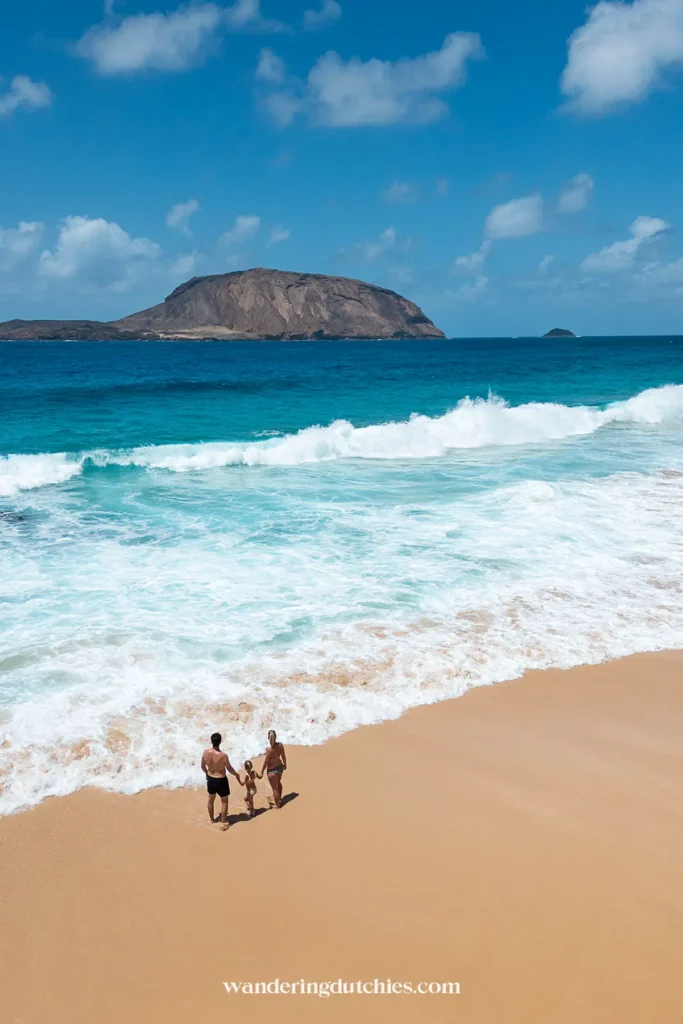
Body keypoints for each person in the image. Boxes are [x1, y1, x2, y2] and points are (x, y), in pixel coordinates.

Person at [201, 732, 239, 829]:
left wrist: (207, 773)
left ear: (211, 741)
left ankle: (212, 820)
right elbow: (229, 769)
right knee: (224, 802)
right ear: (220, 741)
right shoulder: (223, 756)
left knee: (210, 800)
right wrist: (236, 774)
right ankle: (223, 821)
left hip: (211, 780)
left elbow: (202, 766)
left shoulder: (205, 753)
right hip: (221, 780)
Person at [262, 729, 287, 809]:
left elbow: (266, 762)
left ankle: (277, 805)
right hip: (280, 767)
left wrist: (262, 771)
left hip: (272, 771)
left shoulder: (269, 750)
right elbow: (283, 756)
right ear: (276, 737)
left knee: (274, 789)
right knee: (278, 783)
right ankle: (279, 799)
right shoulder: (280, 745)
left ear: (268, 738)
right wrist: (285, 764)